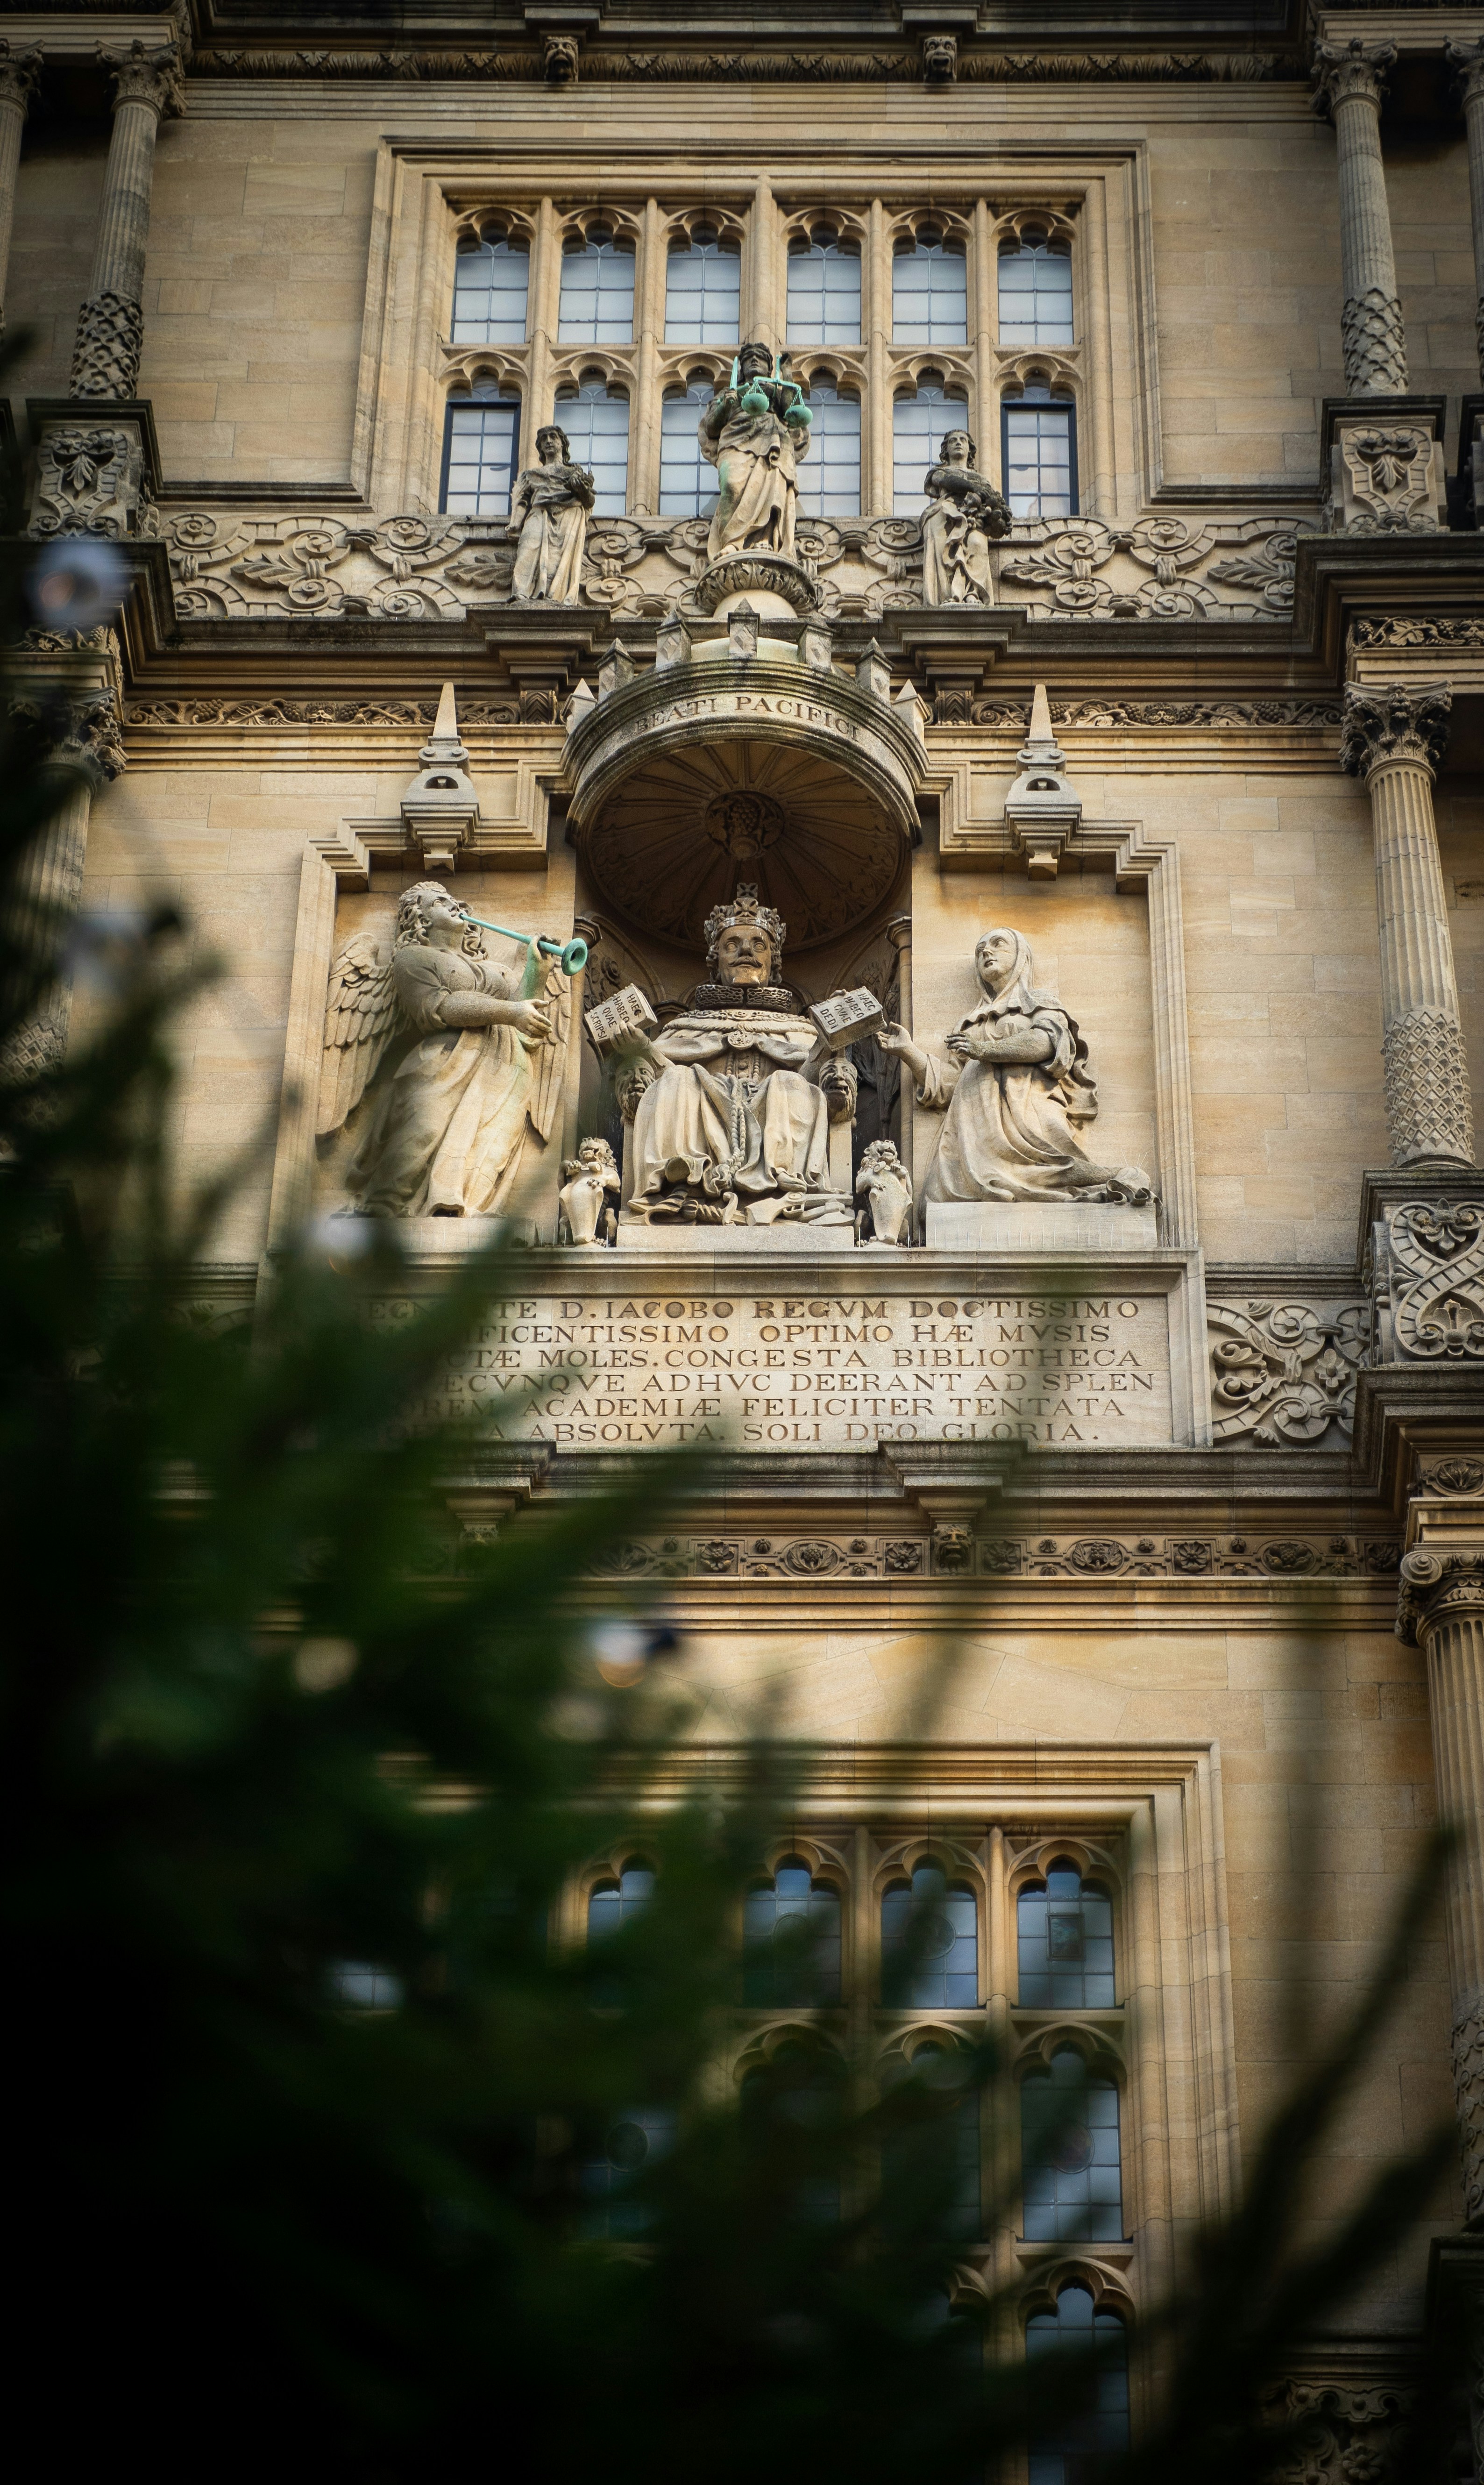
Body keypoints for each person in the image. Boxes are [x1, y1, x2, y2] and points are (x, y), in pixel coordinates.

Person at [619, 885, 855, 1226]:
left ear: (773, 960)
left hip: (774, 1114)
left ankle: (784, 1178)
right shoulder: (685, 1027)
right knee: (677, 1078)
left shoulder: (800, 1028)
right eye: (732, 944)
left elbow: (818, 1085)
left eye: (759, 944)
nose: (746, 951)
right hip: (705, 1114)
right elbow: (652, 1089)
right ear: (716, 960)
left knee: (788, 1082)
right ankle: (683, 1176)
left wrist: (833, 1049)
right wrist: (642, 1054)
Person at [878, 927, 1152, 1206]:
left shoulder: (1040, 1003)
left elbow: (1046, 1043)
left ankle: (1121, 1178)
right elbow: (949, 1084)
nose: (987, 952)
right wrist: (909, 1051)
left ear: (1021, 957)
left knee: (1054, 1171)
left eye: (998, 944)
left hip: (1027, 1112)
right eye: (980, 950)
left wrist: (983, 1050)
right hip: (974, 1127)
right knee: (940, 1198)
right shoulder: (971, 1022)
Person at [335, 882, 555, 1216]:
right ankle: (383, 1208)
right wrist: (511, 1013)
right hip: (444, 1060)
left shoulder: (498, 970)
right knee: (423, 1130)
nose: (454, 906)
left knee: (491, 1144)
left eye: (456, 901)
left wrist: (536, 970)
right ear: (419, 917)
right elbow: (439, 1007)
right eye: (440, 902)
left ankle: (462, 1207)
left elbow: (526, 1013)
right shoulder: (412, 958)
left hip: (506, 1064)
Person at [699, 345, 811, 564]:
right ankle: (732, 540)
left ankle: (764, 538)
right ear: (740, 369)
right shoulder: (728, 392)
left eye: (760, 359)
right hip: (736, 441)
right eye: (748, 358)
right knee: (731, 484)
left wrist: (787, 376)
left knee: (773, 488)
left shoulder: (774, 391)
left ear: (770, 367)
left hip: (772, 441)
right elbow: (711, 428)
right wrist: (726, 405)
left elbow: (792, 410)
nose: (753, 361)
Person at [920, 429, 1009, 607]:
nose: (958, 443)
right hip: (945, 513)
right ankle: (948, 595)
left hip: (974, 520)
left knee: (977, 543)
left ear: (970, 450)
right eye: (953, 441)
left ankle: (973, 593)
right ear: (946, 450)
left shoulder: (981, 478)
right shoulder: (938, 472)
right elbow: (945, 481)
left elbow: (994, 500)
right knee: (944, 546)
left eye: (963, 440)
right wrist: (973, 488)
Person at [509, 424, 595, 604]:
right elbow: (523, 500)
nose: (548, 441)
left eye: (553, 437)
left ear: (562, 443)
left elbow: (589, 502)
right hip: (539, 513)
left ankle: (554, 596)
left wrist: (583, 490)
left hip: (569, 515)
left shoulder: (574, 472)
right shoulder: (531, 475)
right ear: (540, 447)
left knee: (557, 563)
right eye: (543, 439)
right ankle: (521, 594)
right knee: (527, 549)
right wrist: (516, 523)